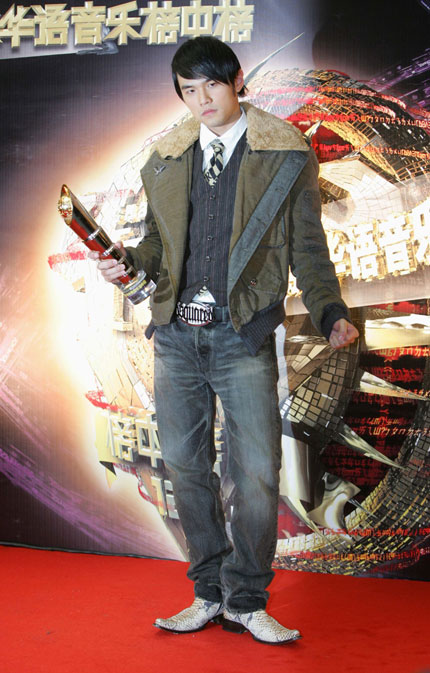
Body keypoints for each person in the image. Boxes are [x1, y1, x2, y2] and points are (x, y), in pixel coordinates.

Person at [90, 36, 359, 645]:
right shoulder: (167, 157)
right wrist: (124, 261)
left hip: (243, 336)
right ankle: (208, 592)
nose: (202, 99)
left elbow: (308, 247)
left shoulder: (284, 154)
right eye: (188, 90)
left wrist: (330, 311)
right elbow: (156, 246)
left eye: (212, 84)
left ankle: (247, 599)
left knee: (257, 471)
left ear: (237, 81)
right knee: (187, 469)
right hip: (175, 337)